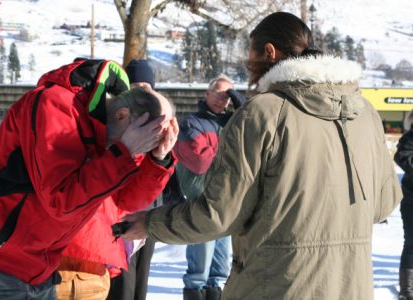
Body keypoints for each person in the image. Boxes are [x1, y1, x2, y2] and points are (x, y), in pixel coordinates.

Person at [122, 12, 402, 300]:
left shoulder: (262, 113)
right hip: (350, 287)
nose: (248, 65)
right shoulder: (365, 112)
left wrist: (149, 223)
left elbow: (218, 215)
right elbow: (384, 203)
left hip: (274, 286)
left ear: (269, 52)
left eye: (250, 54)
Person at [0, 58, 178, 299]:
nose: (142, 148)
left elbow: (126, 201)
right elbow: (59, 199)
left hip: (38, 263)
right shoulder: (55, 104)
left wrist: (158, 160)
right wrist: (125, 151)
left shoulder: (116, 135)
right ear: (122, 115)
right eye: (146, 140)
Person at [173, 74, 245, 300]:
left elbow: (254, 128)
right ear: (206, 93)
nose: (222, 100)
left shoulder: (232, 122)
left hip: (225, 201)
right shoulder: (190, 123)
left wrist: (240, 104)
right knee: (199, 269)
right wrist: (232, 153)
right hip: (200, 200)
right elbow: (200, 162)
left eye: (228, 96)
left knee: (219, 270)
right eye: (218, 93)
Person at [107, 59, 160, 300]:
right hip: (121, 215)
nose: (141, 90)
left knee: (141, 283)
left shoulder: (161, 123)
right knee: (122, 287)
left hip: (149, 214)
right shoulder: (117, 121)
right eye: (135, 84)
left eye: (146, 86)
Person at [395, 109, 413, 300]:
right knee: (412, 244)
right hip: (411, 200)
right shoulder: (410, 137)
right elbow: (402, 157)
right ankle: (407, 291)